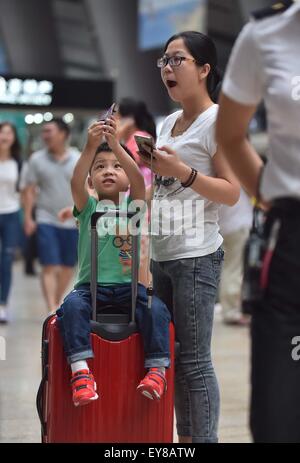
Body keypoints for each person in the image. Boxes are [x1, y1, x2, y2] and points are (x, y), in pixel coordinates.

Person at [139, 31, 240, 443]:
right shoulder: (167, 122)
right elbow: (161, 188)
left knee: (194, 362)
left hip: (197, 255)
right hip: (163, 254)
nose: (167, 68)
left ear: (204, 69)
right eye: (163, 60)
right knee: (169, 358)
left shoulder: (219, 121)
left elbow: (232, 192)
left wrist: (184, 172)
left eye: (176, 59)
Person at [216, 0, 300, 443]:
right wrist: (266, 196)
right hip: (291, 242)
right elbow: (230, 133)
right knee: (278, 409)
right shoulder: (267, 34)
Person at [56, 117, 171, 407]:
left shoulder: (134, 206)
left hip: (129, 289)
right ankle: (81, 373)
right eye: (100, 167)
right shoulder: (87, 207)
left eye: (116, 167)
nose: (109, 171)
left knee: (156, 309)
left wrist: (119, 148)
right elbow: (75, 180)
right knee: (70, 307)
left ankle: (156, 370)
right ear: (91, 179)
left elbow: (137, 178)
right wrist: (90, 146)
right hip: (89, 289)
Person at [23, 118, 79, 312]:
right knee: (49, 265)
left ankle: (55, 301)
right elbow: (28, 189)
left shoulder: (77, 158)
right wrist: (29, 217)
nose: (45, 135)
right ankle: (51, 308)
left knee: (67, 266)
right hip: (46, 217)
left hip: (72, 221)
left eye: (49, 131)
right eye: (44, 131)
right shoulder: (36, 159)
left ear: (63, 134)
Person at [116, 98, 157, 286]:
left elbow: (127, 162)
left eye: (118, 115)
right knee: (133, 259)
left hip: (139, 209)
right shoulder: (137, 137)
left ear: (128, 119)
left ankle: (141, 300)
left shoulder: (139, 137)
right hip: (136, 208)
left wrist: (116, 137)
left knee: (137, 261)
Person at [218, 188, 252, 325]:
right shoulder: (237, 172)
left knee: (229, 267)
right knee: (234, 269)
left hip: (224, 225)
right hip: (237, 225)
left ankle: (229, 308)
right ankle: (231, 311)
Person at [0, 122, 22, 323]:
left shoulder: (18, 162)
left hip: (11, 214)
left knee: (6, 260)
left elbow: (23, 190)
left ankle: (3, 305)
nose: (5, 136)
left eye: (9, 133)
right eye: (2, 132)